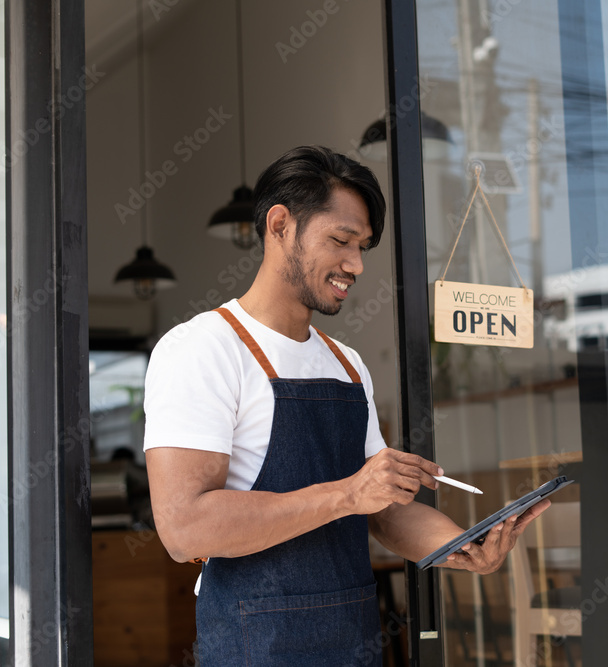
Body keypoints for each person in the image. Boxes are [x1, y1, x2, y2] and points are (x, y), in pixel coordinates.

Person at [143, 146, 550, 666]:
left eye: (362, 247)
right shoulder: (203, 348)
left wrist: (460, 547)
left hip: (353, 638)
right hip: (256, 647)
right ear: (280, 225)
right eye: (340, 241)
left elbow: (381, 513)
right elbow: (185, 528)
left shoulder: (346, 362)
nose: (355, 265)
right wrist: (347, 494)